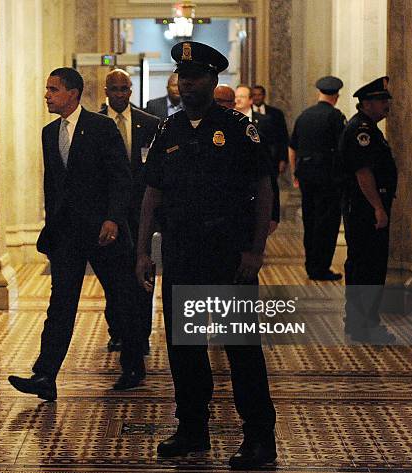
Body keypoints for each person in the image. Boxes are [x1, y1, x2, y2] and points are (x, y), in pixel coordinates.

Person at [136, 42, 277, 469]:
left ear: (213, 80)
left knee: (240, 347)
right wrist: (143, 251)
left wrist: (255, 250)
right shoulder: (169, 130)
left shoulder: (238, 128)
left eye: (196, 76)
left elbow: (264, 190)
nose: (187, 82)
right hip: (181, 253)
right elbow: (152, 192)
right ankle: (192, 429)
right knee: (185, 346)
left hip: (228, 255)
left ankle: (259, 437)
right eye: (183, 75)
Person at [8, 68, 146, 399]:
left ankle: (133, 366)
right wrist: (50, 227)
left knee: (123, 297)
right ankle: (44, 376)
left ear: (73, 93)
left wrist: (113, 219)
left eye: (53, 90)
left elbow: (120, 178)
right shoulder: (48, 132)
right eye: (47, 89)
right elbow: (53, 185)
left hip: (104, 233)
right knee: (61, 304)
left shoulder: (102, 127)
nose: (47, 95)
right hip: (68, 235)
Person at [99, 69, 161, 354]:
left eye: (125, 88)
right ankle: (118, 331)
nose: (120, 94)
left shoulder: (150, 124)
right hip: (109, 214)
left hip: (141, 213)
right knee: (113, 277)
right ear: (106, 91)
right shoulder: (95, 124)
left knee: (144, 272)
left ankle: (141, 333)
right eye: (115, 89)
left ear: (131, 90)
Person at [341, 76, 397, 344]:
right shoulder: (361, 131)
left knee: (362, 265)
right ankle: (365, 324)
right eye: (382, 100)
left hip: (364, 208)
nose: (387, 104)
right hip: (365, 210)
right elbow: (363, 173)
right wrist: (378, 208)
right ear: (366, 103)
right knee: (368, 267)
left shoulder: (367, 128)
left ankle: (358, 321)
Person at [289, 76, 346, 281]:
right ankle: (321, 267)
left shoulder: (304, 116)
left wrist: (295, 172)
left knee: (310, 220)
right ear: (336, 96)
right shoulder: (336, 117)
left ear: (318, 93)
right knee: (327, 223)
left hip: (306, 175)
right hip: (328, 178)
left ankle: (311, 265)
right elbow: (343, 149)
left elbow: (292, 147)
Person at [234, 84, 281, 234]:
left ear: (250, 100)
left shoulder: (264, 121)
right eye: (236, 96)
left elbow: (271, 154)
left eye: (242, 96)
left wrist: (274, 213)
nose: (238, 100)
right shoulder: (226, 122)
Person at [251, 84, 289, 174]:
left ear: (264, 96)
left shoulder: (276, 114)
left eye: (259, 95)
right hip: (253, 160)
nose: (257, 97)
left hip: (273, 159)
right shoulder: (247, 114)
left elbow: (283, 137)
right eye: (254, 95)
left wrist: (283, 159)